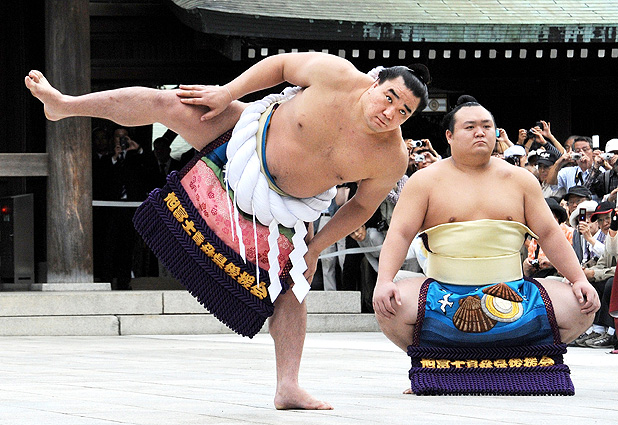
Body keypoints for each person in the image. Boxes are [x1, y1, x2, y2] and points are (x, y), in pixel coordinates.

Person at [25, 52, 430, 410]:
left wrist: (315, 248)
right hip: (247, 138)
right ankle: (64, 104)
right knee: (167, 103)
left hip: (288, 209)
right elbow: (281, 66)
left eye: (403, 112)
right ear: (375, 83)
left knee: (293, 289)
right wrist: (226, 93)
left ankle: (288, 385)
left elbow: (361, 206)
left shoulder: (390, 157)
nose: (390, 112)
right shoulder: (335, 74)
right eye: (389, 97)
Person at [373, 97, 599, 394]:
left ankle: (520, 363)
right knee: (390, 305)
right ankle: (433, 363)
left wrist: (579, 279)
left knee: (581, 305)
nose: (480, 132)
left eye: (486, 126)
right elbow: (400, 234)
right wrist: (384, 280)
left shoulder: (521, 180)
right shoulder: (424, 181)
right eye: (470, 127)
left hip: (513, 293)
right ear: (449, 136)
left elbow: (549, 234)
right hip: (443, 293)